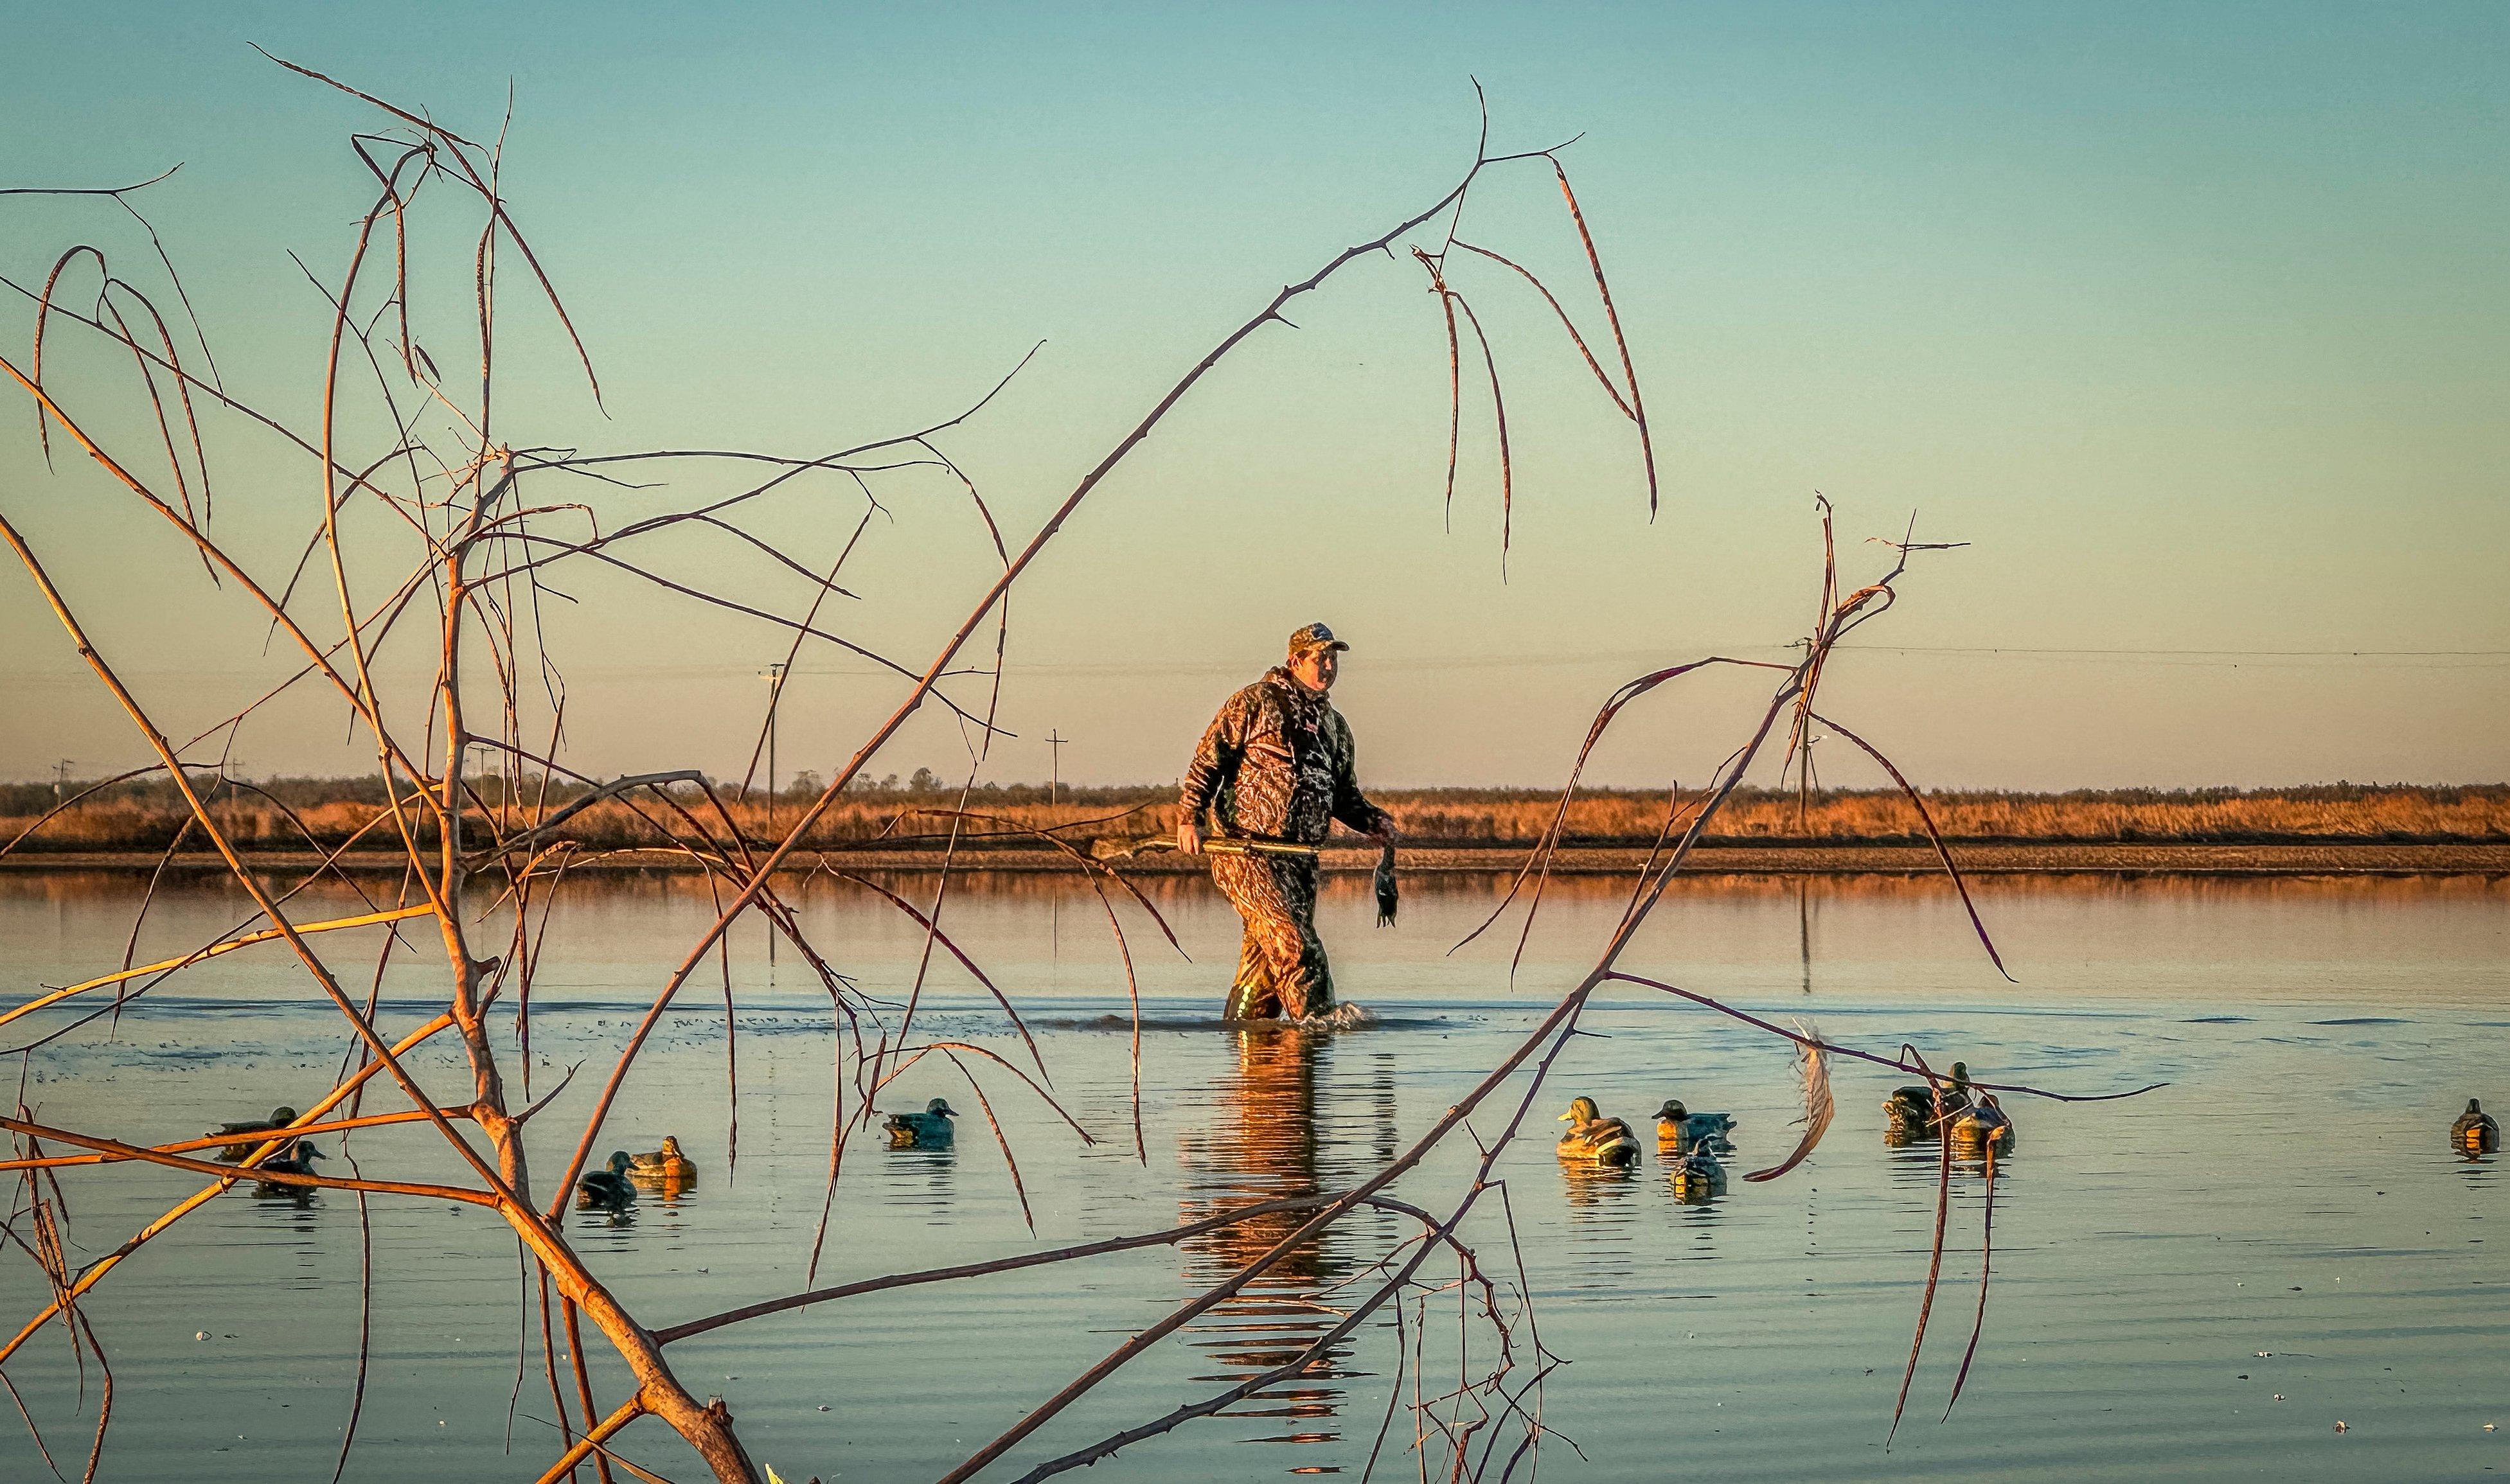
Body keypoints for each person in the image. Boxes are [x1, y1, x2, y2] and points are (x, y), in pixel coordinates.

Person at [1180, 622, 1398, 1020]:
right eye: (1320, 658)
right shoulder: (1253, 702)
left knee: (1263, 969)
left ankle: (1252, 1054)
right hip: (1247, 853)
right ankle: (1319, 1033)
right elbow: (1208, 761)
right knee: (1297, 948)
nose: (1329, 666)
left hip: (1300, 861)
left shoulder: (1336, 726)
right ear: (1295, 661)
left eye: (1333, 659)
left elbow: (1343, 795)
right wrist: (1191, 817)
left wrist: (1373, 822)